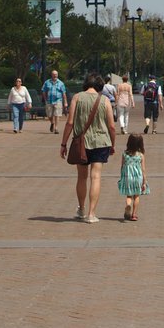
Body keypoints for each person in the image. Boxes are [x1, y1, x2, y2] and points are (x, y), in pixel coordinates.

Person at [60, 73, 117, 224]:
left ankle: (81, 209)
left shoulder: (77, 98)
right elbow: (111, 126)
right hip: (101, 142)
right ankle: (92, 214)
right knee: (96, 177)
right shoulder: (104, 100)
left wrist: (64, 143)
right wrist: (113, 143)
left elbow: (70, 123)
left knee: (81, 177)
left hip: (82, 143)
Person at [117, 133, 150, 221]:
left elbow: (122, 166)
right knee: (136, 196)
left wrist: (122, 177)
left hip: (128, 177)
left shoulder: (125, 154)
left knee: (129, 195)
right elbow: (143, 170)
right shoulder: (140, 155)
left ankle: (128, 205)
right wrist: (144, 182)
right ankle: (134, 214)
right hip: (138, 178)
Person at [42, 69, 68, 134]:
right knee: (49, 115)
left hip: (58, 100)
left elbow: (64, 93)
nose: (55, 75)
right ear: (51, 75)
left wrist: (65, 102)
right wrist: (45, 99)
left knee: (57, 114)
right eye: (53, 74)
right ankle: (52, 123)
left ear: (57, 75)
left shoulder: (61, 83)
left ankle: (56, 128)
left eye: (56, 74)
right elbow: (44, 91)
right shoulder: (47, 82)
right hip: (49, 101)